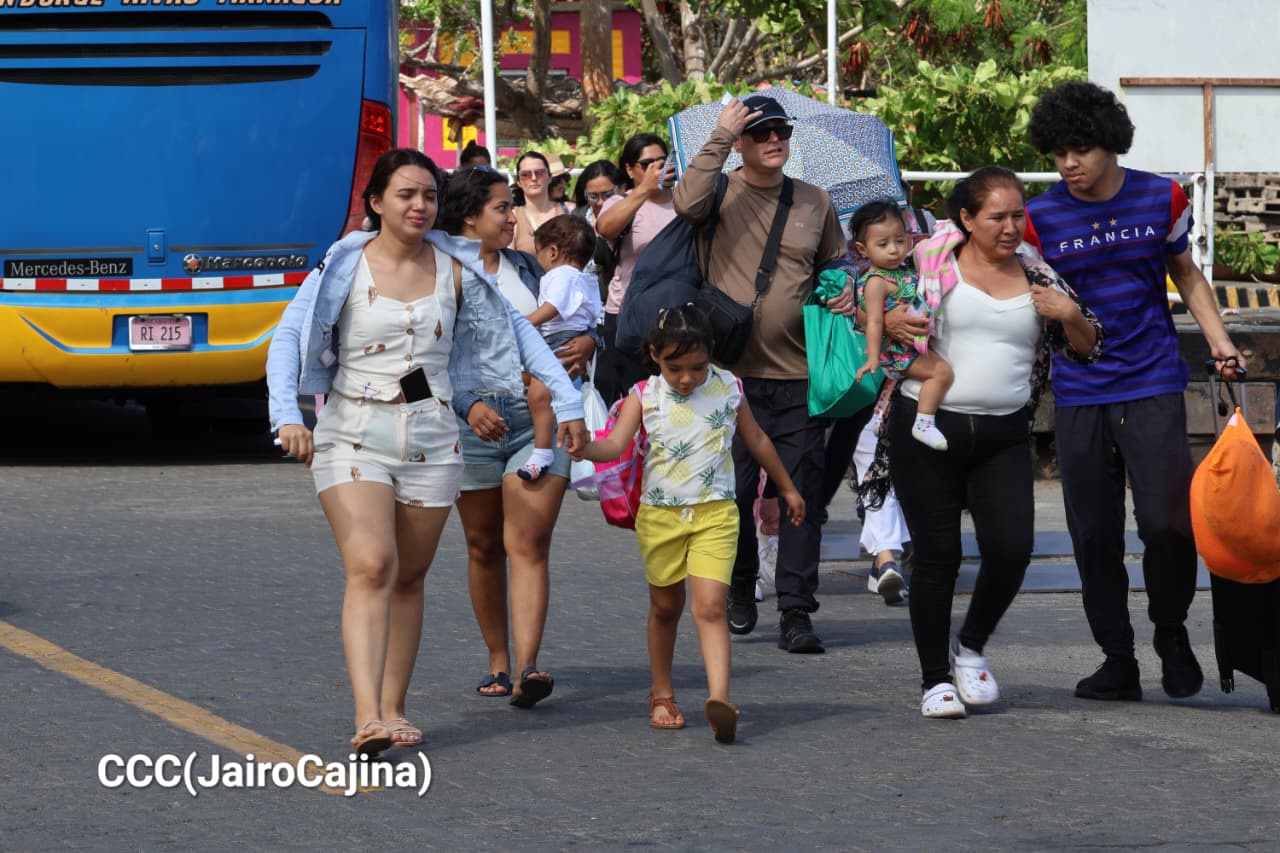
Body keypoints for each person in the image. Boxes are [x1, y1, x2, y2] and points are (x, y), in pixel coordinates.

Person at [1024, 81, 1246, 702]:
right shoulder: (1039, 217)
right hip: (1079, 389)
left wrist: (1220, 341)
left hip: (1151, 380)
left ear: (1111, 145)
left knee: (1169, 524)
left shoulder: (1161, 195)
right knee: (1093, 531)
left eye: (1082, 149)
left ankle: (1171, 634)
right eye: (1059, 152)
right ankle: (1116, 658)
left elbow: (1186, 274)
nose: (1069, 164)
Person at [866, 166, 1103, 718]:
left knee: (1013, 548)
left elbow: (1089, 345)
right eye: (996, 216)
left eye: (1018, 214)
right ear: (966, 219)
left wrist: (1069, 314)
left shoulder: (1038, 274)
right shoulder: (925, 264)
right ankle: (933, 680)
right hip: (927, 426)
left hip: (1003, 433)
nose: (1009, 226)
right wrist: (888, 316)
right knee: (937, 554)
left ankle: (969, 648)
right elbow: (861, 292)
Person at [266, 148, 466, 754]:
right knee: (373, 564)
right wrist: (286, 415)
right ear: (376, 202)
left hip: (433, 436)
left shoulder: (458, 268)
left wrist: (551, 402)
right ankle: (366, 715)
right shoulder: (339, 266)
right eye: (406, 193)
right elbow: (289, 337)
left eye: (429, 195)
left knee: (408, 577)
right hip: (350, 431)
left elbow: (501, 346)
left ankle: (395, 708)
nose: (419, 205)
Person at [572, 304, 805, 743]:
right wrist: (584, 449)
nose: (686, 378)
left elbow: (756, 439)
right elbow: (616, 444)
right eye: (675, 367)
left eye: (697, 368)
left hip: (716, 515)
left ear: (712, 356)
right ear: (655, 356)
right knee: (665, 608)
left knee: (710, 607)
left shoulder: (729, 387)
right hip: (659, 518)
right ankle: (661, 692)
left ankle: (720, 700)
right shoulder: (645, 394)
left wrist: (787, 487)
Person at [673, 94, 848, 653]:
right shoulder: (720, 190)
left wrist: (843, 287)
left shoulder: (815, 201)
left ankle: (797, 611)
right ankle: (742, 582)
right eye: (762, 132)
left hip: (798, 376)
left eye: (781, 131)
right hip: (729, 378)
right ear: (743, 141)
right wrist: (720, 134)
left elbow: (834, 265)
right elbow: (684, 202)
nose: (774, 140)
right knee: (734, 493)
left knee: (802, 495)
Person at [435, 166, 593, 706]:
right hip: (465, 426)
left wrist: (587, 341)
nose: (514, 216)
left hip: (536, 421)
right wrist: (468, 404)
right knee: (483, 546)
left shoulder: (526, 265)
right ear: (468, 216)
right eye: (503, 207)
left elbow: (563, 321)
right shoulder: (432, 272)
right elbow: (422, 358)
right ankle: (498, 662)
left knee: (526, 542)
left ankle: (528, 667)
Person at [851, 199, 954, 450]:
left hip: (908, 344)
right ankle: (923, 423)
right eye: (883, 244)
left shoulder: (902, 270)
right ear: (862, 249)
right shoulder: (876, 281)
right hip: (897, 352)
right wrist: (873, 357)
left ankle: (889, 413)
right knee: (942, 373)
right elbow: (875, 321)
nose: (894, 250)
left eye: (899, 240)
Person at [594, 133, 679, 404]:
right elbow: (605, 227)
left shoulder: (684, 200)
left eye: (662, 161)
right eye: (647, 164)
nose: (657, 168)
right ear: (630, 170)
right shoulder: (619, 202)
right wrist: (645, 189)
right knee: (635, 401)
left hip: (676, 314)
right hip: (628, 316)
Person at [519, 214, 603, 480]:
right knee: (548, 395)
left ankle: (542, 453)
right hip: (571, 339)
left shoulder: (560, 275)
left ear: (553, 252)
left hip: (558, 341)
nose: (538, 261)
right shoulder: (581, 277)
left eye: (538, 253)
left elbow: (552, 307)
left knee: (539, 396)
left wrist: (524, 323)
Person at [511, 150, 574, 254]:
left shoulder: (571, 211)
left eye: (539, 173)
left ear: (549, 177)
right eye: (526, 175)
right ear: (519, 182)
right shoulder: (513, 217)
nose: (534, 178)